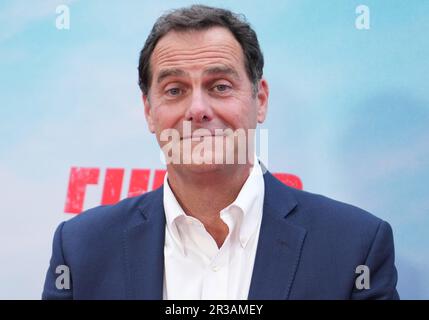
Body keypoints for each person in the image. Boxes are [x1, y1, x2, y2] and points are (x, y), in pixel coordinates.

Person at [42, 4, 399, 300]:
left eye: (220, 86)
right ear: (149, 112)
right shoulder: (80, 249)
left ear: (260, 101)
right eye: (174, 90)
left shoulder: (356, 246)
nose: (197, 109)